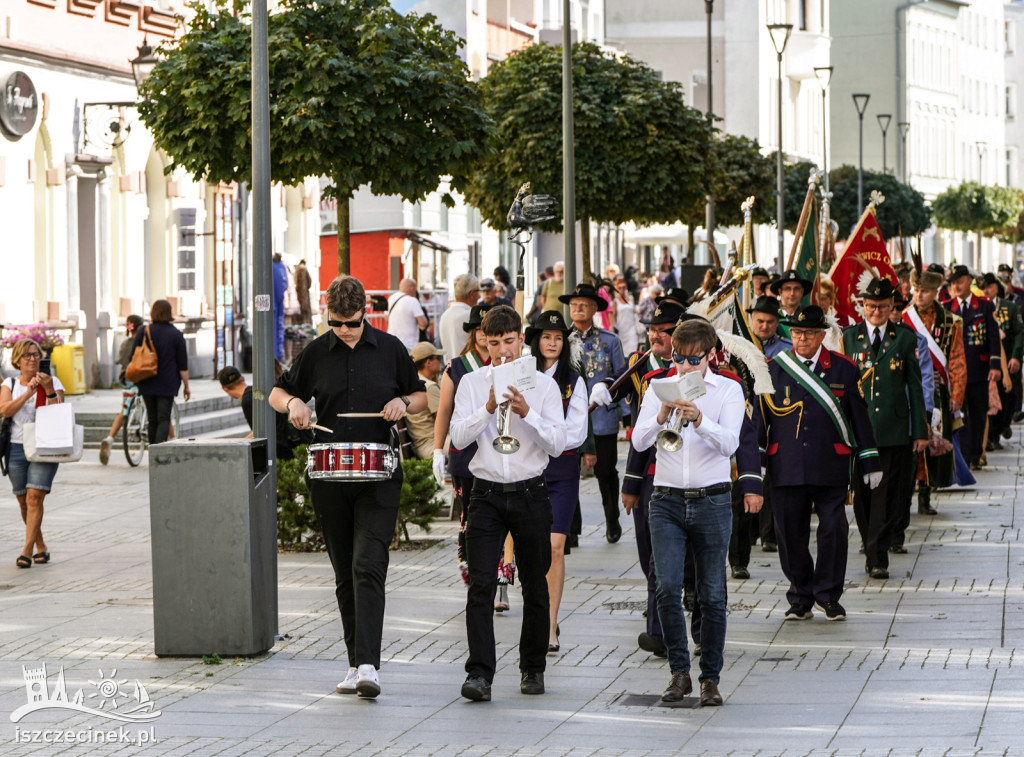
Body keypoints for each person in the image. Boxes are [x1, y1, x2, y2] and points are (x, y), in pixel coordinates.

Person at [270, 275, 426, 699]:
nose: (344, 331)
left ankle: (370, 666)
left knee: (367, 564)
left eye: (352, 323)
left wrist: (403, 404)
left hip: (378, 476)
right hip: (329, 477)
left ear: (365, 315)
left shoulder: (392, 349)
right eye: (336, 323)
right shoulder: (316, 352)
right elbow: (277, 393)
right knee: (344, 572)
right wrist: (294, 404)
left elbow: (421, 396)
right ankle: (355, 662)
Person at [631, 318, 753, 707]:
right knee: (666, 587)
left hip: (713, 499)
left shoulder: (728, 389)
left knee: (712, 594)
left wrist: (700, 419)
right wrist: (662, 414)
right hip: (666, 499)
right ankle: (679, 672)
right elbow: (637, 440)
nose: (685, 367)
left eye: (693, 360)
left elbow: (731, 444)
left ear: (709, 357)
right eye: (679, 359)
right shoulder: (657, 386)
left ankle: (710, 678)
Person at [450, 306, 567, 702]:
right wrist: (486, 408)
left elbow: (558, 443)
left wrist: (527, 412)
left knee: (535, 585)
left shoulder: (543, 386)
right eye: (494, 343)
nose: (502, 350)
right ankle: (480, 673)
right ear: (484, 341)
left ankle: (533, 667)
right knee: (480, 585)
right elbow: (459, 438)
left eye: (509, 341)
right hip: (485, 492)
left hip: (531, 491)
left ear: (521, 339)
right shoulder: (470, 382)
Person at [758, 305, 880, 621]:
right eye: (797, 333)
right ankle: (800, 595)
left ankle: (828, 595)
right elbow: (759, 422)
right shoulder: (772, 369)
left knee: (833, 532)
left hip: (831, 463)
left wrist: (870, 460)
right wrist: (754, 465)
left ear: (822, 335)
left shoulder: (843, 369)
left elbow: (859, 417)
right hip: (786, 464)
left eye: (809, 334)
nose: (802, 339)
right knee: (789, 533)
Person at [841, 278, 929, 580]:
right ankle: (870, 541)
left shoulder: (904, 339)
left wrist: (920, 431)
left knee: (886, 494)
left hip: (893, 431)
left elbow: (914, 388)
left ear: (892, 306)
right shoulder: (849, 338)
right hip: (859, 432)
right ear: (862, 306)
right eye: (870, 306)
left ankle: (878, 558)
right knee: (862, 495)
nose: (876, 311)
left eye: (881, 306)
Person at [433, 303, 514, 608]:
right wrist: (436, 451)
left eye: (489, 332)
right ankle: (477, 575)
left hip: (504, 454)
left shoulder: (511, 363)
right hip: (466, 456)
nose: (484, 337)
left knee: (506, 521)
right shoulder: (457, 367)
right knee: (471, 517)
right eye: (480, 331)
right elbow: (444, 410)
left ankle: (502, 580)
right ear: (472, 333)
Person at [525, 311, 588, 653]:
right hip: (527, 469)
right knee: (530, 550)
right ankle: (535, 614)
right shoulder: (523, 375)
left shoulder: (574, 380)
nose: (552, 343)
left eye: (558, 338)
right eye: (546, 337)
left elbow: (574, 435)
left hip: (562, 471)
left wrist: (532, 419)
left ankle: (550, 624)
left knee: (554, 546)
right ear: (536, 340)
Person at [561, 282, 626, 543]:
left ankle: (612, 521)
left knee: (606, 472)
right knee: (568, 474)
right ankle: (571, 529)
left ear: (594, 309)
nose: (577, 308)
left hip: (601, 419)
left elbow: (621, 378)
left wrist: (626, 415)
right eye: (573, 304)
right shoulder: (561, 341)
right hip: (569, 418)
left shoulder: (610, 341)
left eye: (583, 304)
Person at [903, 267, 966, 515]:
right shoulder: (902, 318)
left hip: (939, 391)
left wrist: (957, 395)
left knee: (934, 444)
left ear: (936, 292)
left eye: (925, 290)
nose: (919, 294)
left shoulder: (951, 321)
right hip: (908, 390)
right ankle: (905, 496)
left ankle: (926, 496)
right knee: (910, 444)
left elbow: (957, 360)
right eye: (916, 289)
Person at [0, 339, 66, 568]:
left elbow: (59, 412)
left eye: (36, 354)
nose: (33, 359)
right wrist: (28, 393)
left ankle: (26, 550)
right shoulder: (9, 384)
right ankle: (41, 546)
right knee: (23, 501)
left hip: (45, 447)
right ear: (17, 360)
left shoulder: (53, 380)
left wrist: (47, 389)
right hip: (16, 447)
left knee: (34, 497)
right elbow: (5, 409)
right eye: (27, 355)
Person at [947, 265, 1001, 470]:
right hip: (955, 373)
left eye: (960, 281)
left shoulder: (985, 306)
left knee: (978, 413)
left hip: (979, 369)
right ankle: (963, 455)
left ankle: (976, 452)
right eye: (953, 283)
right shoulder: (946, 307)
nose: (956, 286)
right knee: (959, 414)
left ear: (970, 281)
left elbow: (993, 338)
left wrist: (995, 366)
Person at [132, 299, 190, 445]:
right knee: (163, 418)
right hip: (168, 383)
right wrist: (186, 386)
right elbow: (182, 365)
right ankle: (159, 453)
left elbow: (133, 356)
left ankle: (152, 453)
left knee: (152, 419)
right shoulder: (176, 334)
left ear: (153, 313)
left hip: (146, 380)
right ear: (169, 313)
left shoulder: (144, 332)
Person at [217, 366, 299, 461]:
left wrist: (238, 444)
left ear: (224, 388)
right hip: (288, 442)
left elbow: (259, 432)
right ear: (242, 378)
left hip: (278, 451)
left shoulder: (247, 401)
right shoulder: (257, 392)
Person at [982, 273, 1023, 446]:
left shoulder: (1010, 307)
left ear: (996, 288)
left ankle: (1002, 427)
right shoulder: (982, 308)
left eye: (990, 287)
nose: (986, 291)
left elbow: (1019, 333)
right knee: (991, 400)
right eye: (984, 288)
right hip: (989, 362)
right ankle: (991, 436)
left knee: (1009, 397)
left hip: (1008, 360)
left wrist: (1015, 357)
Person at [99, 314, 145, 465]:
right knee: (152, 404)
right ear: (139, 327)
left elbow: (120, 360)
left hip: (127, 379)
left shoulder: (125, 343)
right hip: (141, 378)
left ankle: (110, 438)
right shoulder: (143, 342)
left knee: (124, 410)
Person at [404, 342, 444, 459]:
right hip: (432, 445)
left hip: (421, 445)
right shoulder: (428, 386)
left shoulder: (415, 381)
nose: (441, 361)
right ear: (428, 362)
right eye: (438, 358)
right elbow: (445, 419)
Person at [439, 274, 480, 363]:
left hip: (449, 370)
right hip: (468, 370)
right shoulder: (471, 316)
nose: (480, 296)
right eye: (478, 291)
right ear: (472, 294)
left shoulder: (444, 315)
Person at [387, 278, 428, 351]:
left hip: (391, 342)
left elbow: (386, 317)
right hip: (409, 344)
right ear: (412, 288)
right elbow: (423, 323)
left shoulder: (391, 298)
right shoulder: (412, 301)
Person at [769, 270, 813, 335]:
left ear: (802, 292)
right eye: (788, 289)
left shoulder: (810, 316)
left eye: (796, 289)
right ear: (780, 292)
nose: (792, 293)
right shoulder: (772, 317)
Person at [613, 274, 639, 357]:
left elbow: (635, 312)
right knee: (622, 352)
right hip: (621, 329)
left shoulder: (631, 298)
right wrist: (615, 329)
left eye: (624, 287)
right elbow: (613, 316)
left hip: (631, 328)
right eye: (620, 288)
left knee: (633, 350)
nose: (622, 289)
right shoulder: (615, 301)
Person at [273, 253, 288, 362]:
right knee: (277, 332)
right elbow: (283, 286)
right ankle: (276, 358)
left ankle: (275, 358)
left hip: (272, 306)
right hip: (276, 306)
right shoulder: (280, 267)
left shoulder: (273, 267)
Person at [295, 259, 313, 324]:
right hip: (303, 299)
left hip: (301, 298)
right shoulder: (302, 270)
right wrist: (304, 304)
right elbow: (303, 287)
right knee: (304, 320)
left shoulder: (298, 269)